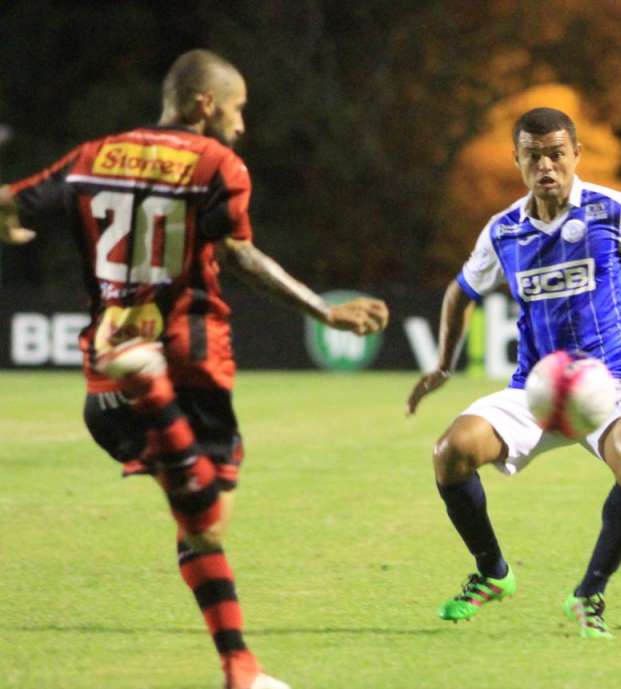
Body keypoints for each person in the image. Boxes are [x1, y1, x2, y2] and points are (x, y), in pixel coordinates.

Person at [0, 49, 389, 689]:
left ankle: (240, 667)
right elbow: (239, 255)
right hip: (188, 365)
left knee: (194, 524)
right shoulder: (216, 164)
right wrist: (324, 311)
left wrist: (10, 225)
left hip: (102, 378)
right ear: (206, 104)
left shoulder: (92, 155)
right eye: (238, 109)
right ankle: (152, 390)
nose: (241, 125)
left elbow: (10, 201)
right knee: (209, 519)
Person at [406, 107, 621, 638]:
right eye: (534, 156)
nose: (546, 166)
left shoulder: (616, 210)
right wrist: (443, 364)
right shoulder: (504, 231)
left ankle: (589, 594)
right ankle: (492, 572)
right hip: (535, 390)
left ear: (576, 155)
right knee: (451, 452)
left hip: (610, 385)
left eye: (556, 154)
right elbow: (460, 292)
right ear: (516, 160)